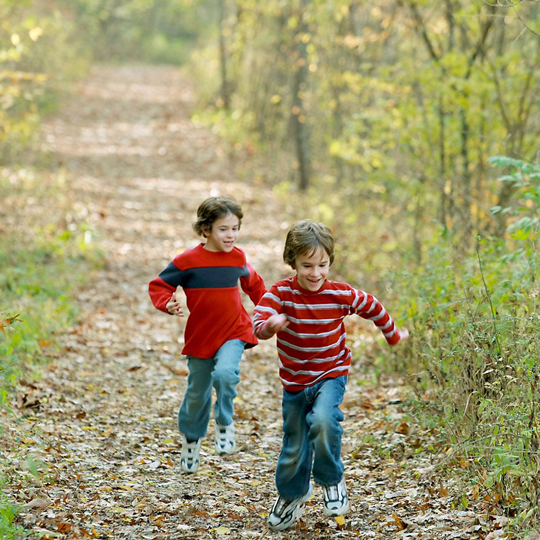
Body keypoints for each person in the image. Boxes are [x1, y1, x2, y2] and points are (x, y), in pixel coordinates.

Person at [253, 219, 409, 531]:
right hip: (295, 383)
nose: (315, 273)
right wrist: (270, 325)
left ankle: (331, 480)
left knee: (324, 422)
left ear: (330, 262)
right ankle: (292, 494)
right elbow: (259, 318)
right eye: (307, 265)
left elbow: (373, 306)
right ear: (293, 262)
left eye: (322, 264)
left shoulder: (340, 294)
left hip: (330, 374)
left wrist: (392, 335)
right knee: (294, 444)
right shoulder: (281, 293)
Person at [149, 195, 266, 474]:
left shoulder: (238, 258)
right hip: (201, 336)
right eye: (224, 229)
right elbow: (159, 285)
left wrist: (269, 311)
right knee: (196, 394)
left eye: (235, 228)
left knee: (225, 374)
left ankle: (225, 422)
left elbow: (256, 287)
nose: (231, 235)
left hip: (234, 330)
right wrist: (166, 302)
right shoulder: (188, 261)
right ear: (206, 230)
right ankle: (191, 441)